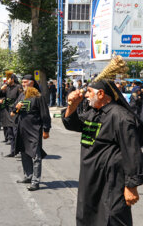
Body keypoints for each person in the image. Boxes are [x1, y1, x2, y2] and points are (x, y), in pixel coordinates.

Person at [62, 75, 143, 225]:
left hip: (111, 181)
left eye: (89, 92)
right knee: (88, 216)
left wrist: (131, 186)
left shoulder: (121, 116)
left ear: (101, 93)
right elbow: (72, 124)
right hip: (90, 178)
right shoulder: (93, 113)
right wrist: (72, 105)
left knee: (112, 218)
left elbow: (132, 152)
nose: (86, 95)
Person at [13, 75, 51, 191]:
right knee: (24, 153)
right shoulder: (21, 95)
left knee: (35, 156)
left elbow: (45, 115)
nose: (23, 84)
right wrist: (17, 107)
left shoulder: (38, 97)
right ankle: (28, 176)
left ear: (32, 83)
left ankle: (35, 181)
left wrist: (46, 130)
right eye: (22, 82)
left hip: (34, 130)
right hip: (22, 129)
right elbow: (13, 110)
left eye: (25, 82)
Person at [0, 71, 21, 157]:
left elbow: (21, 98)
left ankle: (20, 151)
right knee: (10, 133)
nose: (7, 80)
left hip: (16, 113)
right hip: (7, 113)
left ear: (13, 79)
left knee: (16, 133)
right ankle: (13, 151)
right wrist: (1, 89)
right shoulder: (6, 88)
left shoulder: (18, 87)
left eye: (8, 79)